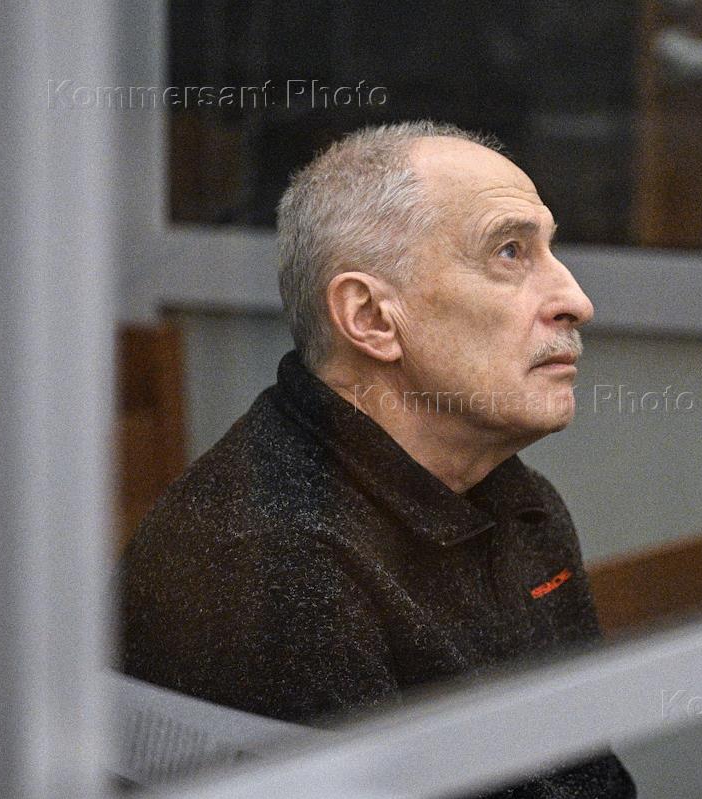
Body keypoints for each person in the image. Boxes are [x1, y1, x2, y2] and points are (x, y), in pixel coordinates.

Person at [118, 121, 635, 797]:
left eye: (549, 250)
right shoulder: (268, 559)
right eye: (510, 252)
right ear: (370, 318)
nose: (577, 301)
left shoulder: (518, 499)